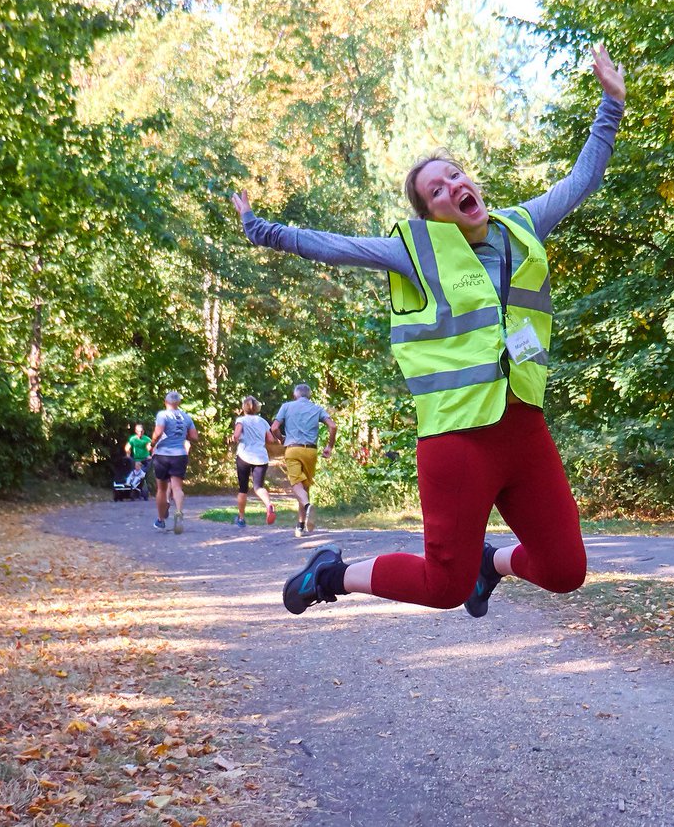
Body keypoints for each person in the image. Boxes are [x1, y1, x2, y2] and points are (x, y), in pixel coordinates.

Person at [231, 44, 625, 617]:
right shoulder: (416, 252)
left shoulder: (522, 227)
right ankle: (333, 574)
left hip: (524, 428)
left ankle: (490, 565)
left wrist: (610, 104)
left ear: (471, 182)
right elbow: (336, 248)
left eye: (454, 175)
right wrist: (261, 230)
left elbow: (581, 179)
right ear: (429, 213)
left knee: (565, 570)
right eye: (435, 191)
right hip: (457, 439)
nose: (451, 188)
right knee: (443, 587)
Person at [270, 384, 336, 536]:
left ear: (295, 395)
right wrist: (329, 447)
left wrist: (281, 439)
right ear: (309, 395)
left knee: (296, 485)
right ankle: (300, 525)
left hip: (293, 449)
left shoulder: (286, 407)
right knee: (305, 487)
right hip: (311, 451)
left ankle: (307, 507)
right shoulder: (317, 408)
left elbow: (274, 428)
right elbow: (332, 426)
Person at [149, 390, 199, 534]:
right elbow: (194, 436)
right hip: (180, 454)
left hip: (163, 454)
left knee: (162, 489)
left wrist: (152, 444)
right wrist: (183, 436)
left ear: (166, 402)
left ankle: (160, 520)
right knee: (177, 488)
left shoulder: (162, 415)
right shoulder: (186, 417)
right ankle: (178, 512)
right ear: (178, 403)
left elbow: (158, 433)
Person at [230, 395, 277, 529]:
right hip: (261, 457)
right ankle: (268, 505)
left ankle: (241, 518)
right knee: (259, 487)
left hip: (244, 455)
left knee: (243, 489)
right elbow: (271, 439)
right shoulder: (262, 421)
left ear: (243, 408)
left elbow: (237, 435)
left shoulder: (241, 420)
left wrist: (233, 438)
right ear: (257, 408)